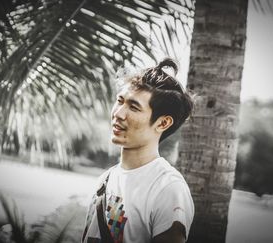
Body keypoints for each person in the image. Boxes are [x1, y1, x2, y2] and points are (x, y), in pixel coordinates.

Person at [81, 58, 194, 243]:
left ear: (162, 123)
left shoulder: (168, 189)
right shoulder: (106, 179)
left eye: (133, 107)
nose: (118, 114)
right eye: (120, 101)